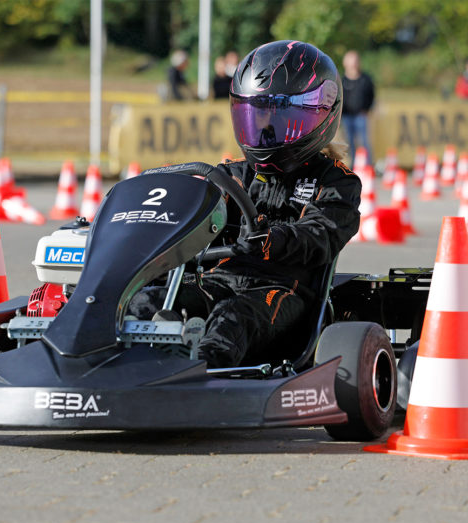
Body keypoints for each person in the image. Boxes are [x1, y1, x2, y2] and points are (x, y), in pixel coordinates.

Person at [129, 40, 361, 369]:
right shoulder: (230, 174)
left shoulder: (336, 181)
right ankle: (113, 364)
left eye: (278, 114)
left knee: (232, 318)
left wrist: (272, 239)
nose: (266, 124)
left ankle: (196, 379)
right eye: (258, 112)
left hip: (282, 290)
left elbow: (321, 235)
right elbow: (191, 214)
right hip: (217, 281)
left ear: (316, 114)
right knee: (145, 301)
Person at [341, 50, 375, 166]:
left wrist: (367, 109)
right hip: (346, 116)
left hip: (361, 115)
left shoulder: (365, 79)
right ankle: (353, 165)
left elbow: (372, 96)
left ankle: (368, 165)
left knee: (364, 141)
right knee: (349, 142)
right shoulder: (341, 81)